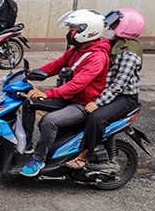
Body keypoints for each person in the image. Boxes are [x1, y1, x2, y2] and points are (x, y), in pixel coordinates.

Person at [20, 9, 110, 177]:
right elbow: (56, 65)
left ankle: (38, 159)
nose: (69, 33)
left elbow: (77, 84)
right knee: (29, 101)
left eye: (72, 29)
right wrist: (30, 74)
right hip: (68, 98)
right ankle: (27, 144)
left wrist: (49, 94)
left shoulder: (97, 57)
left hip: (82, 104)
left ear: (86, 31)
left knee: (49, 121)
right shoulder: (77, 50)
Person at [66, 9, 145, 169]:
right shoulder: (113, 44)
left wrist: (97, 103)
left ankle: (84, 156)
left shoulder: (129, 53)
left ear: (126, 28)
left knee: (97, 117)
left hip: (124, 98)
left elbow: (118, 85)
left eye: (113, 25)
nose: (109, 28)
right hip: (107, 92)